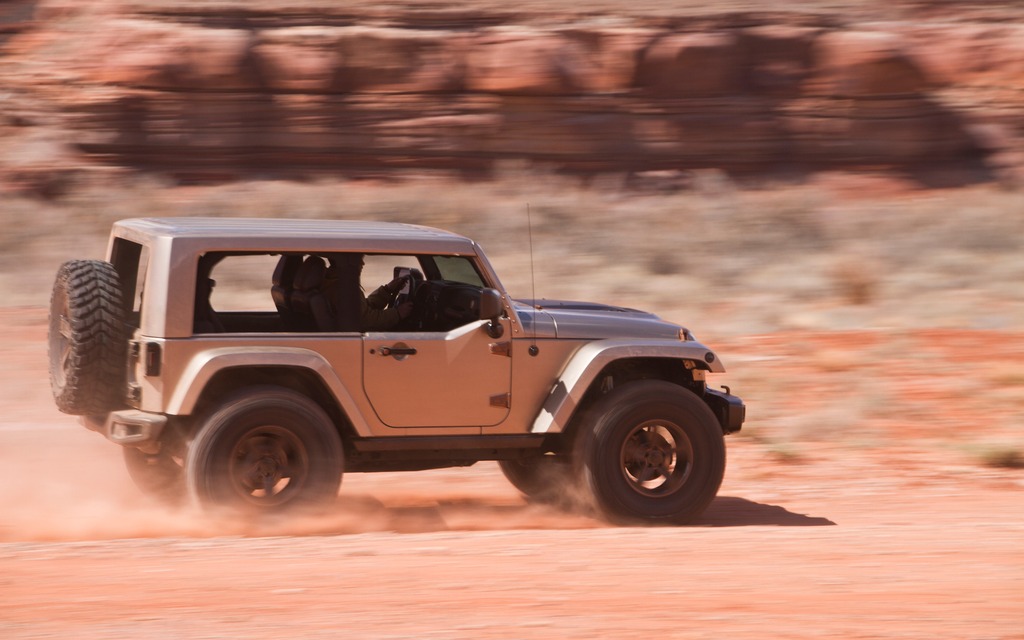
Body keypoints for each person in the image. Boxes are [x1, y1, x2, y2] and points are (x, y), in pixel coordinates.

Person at [328, 254, 413, 331]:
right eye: (358, 259)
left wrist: (387, 290)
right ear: (348, 262)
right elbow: (366, 321)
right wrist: (397, 314)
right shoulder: (342, 288)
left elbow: (362, 309)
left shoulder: (334, 283)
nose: (362, 263)